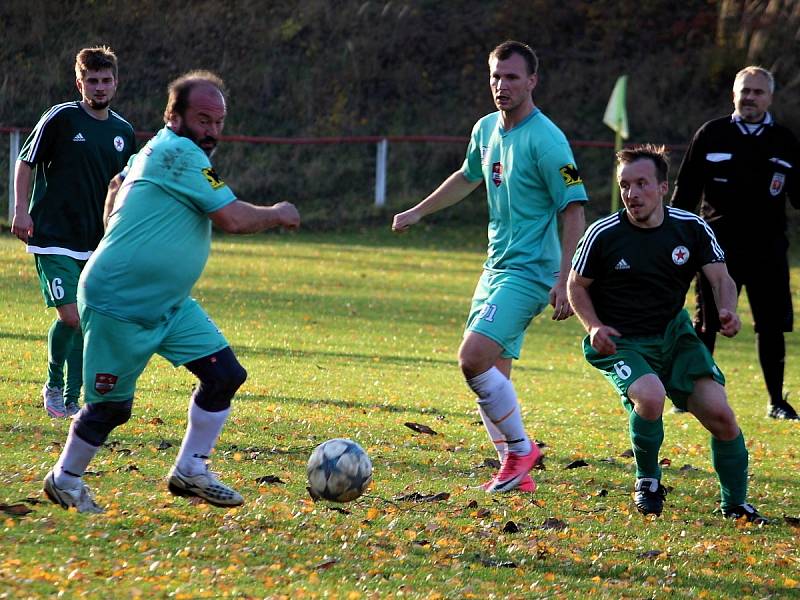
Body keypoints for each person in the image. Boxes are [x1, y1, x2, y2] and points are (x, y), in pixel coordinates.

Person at [42, 70, 301, 513]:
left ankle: (191, 470)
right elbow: (234, 219)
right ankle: (65, 480)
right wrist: (279, 212)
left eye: (218, 122)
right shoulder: (179, 154)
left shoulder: (155, 151)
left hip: (169, 305)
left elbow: (115, 186)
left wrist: (116, 230)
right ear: (174, 117)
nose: (213, 131)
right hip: (119, 306)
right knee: (110, 410)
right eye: (203, 119)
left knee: (224, 375)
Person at [392, 40, 587, 493]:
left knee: (472, 358)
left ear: (532, 81)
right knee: (492, 376)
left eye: (512, 77)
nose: (502, 85)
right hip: (495, 267)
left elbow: (574, 207)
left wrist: (566, 279)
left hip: (532, 272)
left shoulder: (548, 139)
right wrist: (420, 211)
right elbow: (467, 176)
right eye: (496, 76)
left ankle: (521, 450)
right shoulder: (485, 129)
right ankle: (513, 470)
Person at [568, 145, 766, 522]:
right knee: (650, 395)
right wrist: (593, 326)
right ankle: (648, 480)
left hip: (675, 338)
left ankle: (735, 504)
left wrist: (728, 309)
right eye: (625, 185)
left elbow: (721, 277)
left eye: (641, 184)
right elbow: (576, 286)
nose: (632, 194)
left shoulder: (690, 228)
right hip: (621, 340)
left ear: (662, 187)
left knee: (721, 415)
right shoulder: (603, 234)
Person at [11, 46, 136, 419]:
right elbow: (25, 161)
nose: (100, 87)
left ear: (115, 82)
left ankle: (71, 400)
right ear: (79, 82)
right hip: (52, 236)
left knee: (86, 321)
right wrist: (20, 210)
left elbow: (128, 185)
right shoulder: (61, 118)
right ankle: (54, 386)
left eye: (106, 80)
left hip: (98, 243)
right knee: (73, 318)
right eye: (92, 80)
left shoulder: (123, 131)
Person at [671, 66, 800, 420]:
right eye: (744, 91)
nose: (750, 98)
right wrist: (671, 233)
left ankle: (776, 400)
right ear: (734, 94)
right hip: (717, 248)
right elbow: (685, 191)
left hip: (769, 249)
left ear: (770, 97)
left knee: (771, 325)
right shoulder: (711, 134)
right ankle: (693, 395)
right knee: (707, 323)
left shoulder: (786, 141)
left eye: (758, 92)